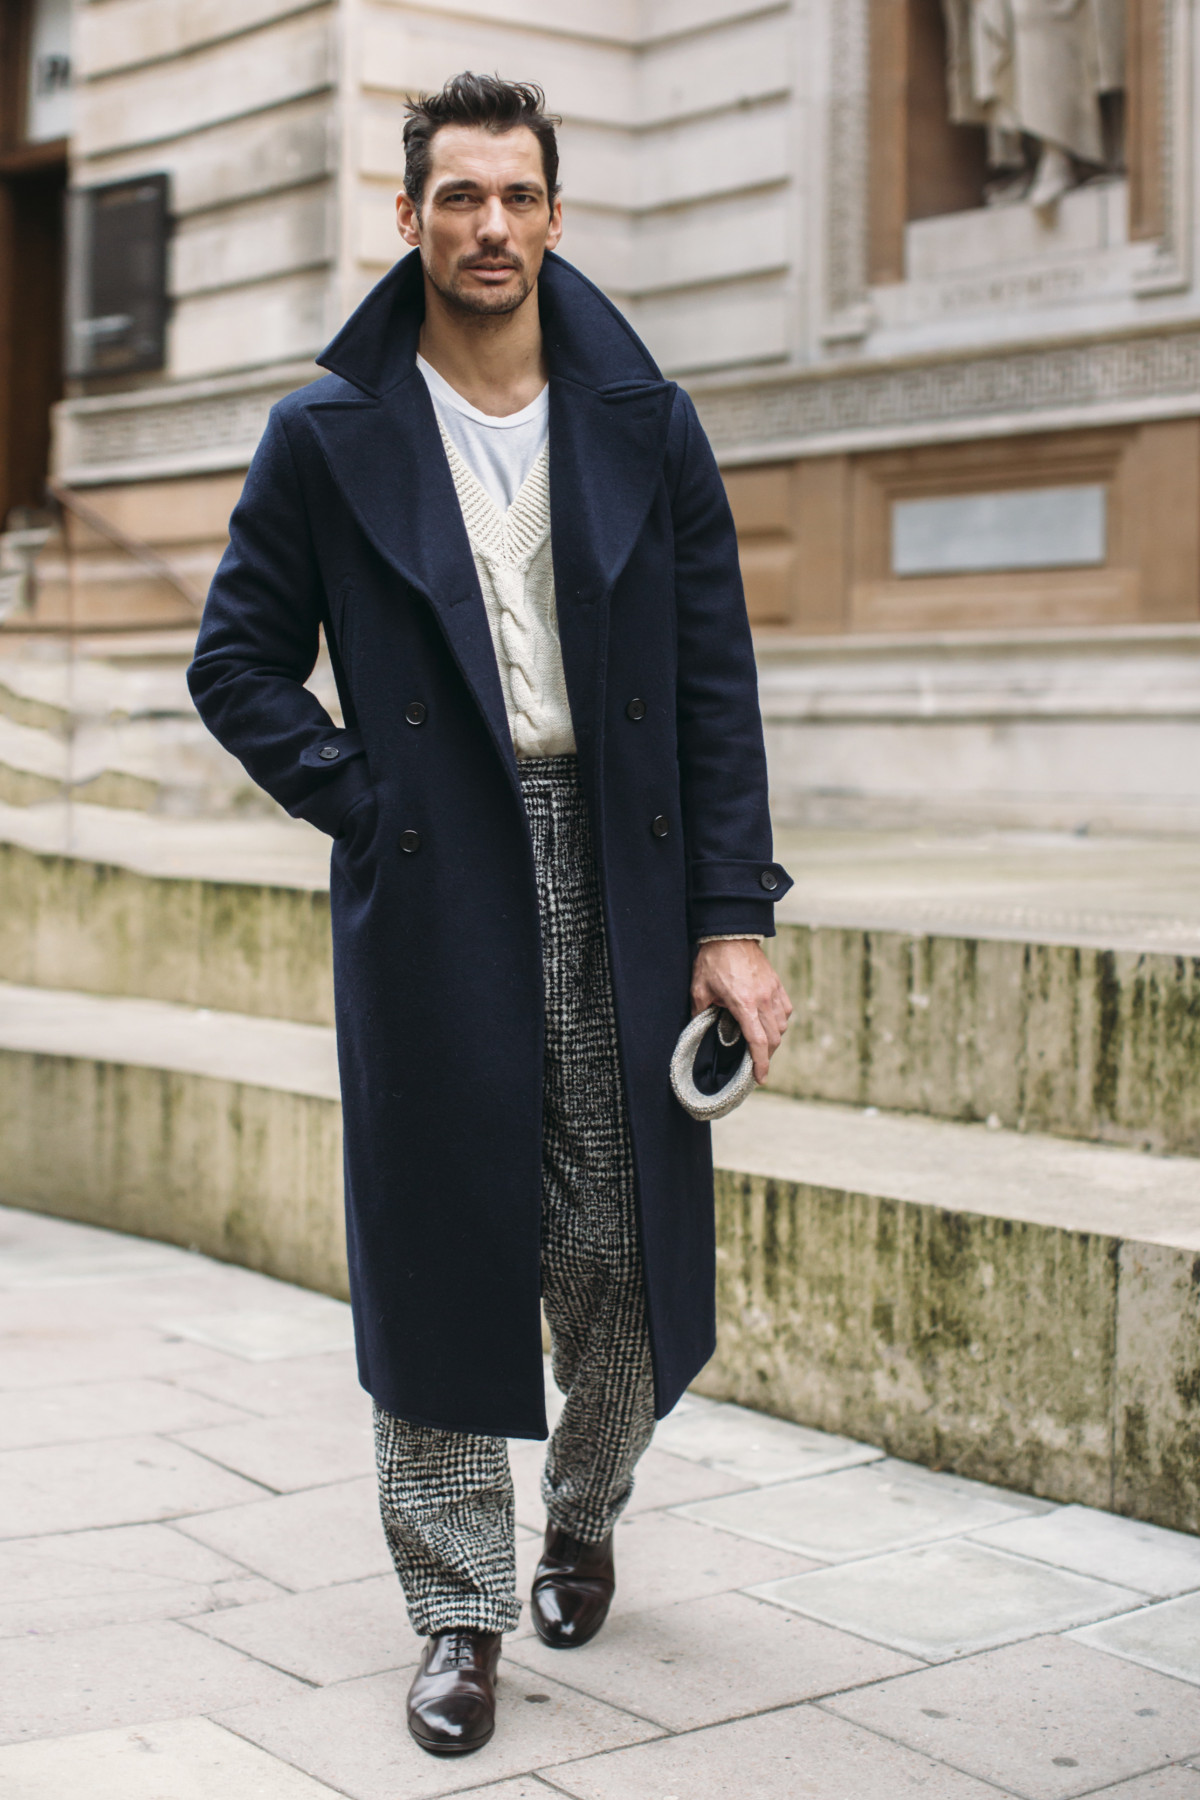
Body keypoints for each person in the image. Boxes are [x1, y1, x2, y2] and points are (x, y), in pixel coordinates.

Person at [188, 72, 793, 1759]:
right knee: (445, 1245)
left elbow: (715, 685)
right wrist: (365, 800)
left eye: (518, 195)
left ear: (554, 214)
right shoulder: (329, 433)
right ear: (408, 218)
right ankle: (456, 1610)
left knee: (625, 1251)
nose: (491, 226)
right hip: (435, 869)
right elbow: (236, 662)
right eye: (458, 196)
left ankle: (584, 1508)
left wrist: (733, 917)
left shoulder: (645, 421)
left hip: (627, 864)